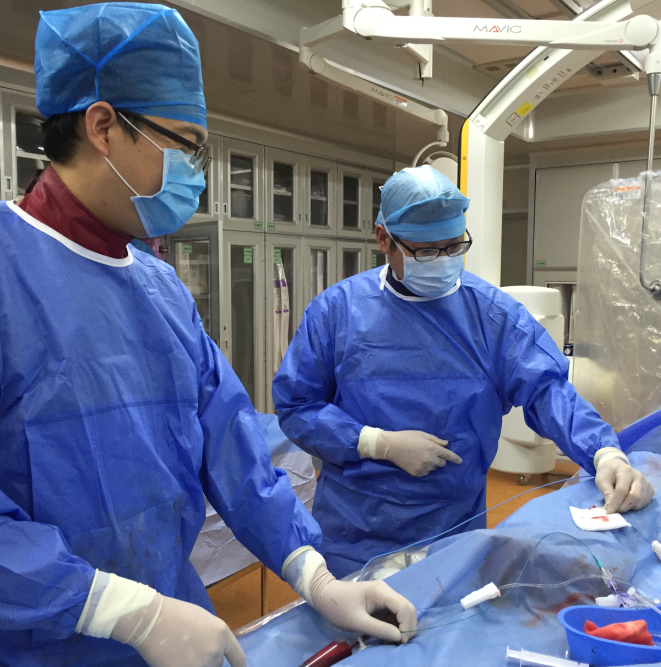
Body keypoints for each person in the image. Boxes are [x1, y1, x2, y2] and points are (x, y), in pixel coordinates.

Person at [0, 4, 416, 666]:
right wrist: (122, 612)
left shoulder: (160, 289)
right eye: (186, 143)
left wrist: (316, 576)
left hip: (175, 631)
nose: (195, 171)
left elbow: (232, 451)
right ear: (103, 126)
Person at [273, 164, 655, 579]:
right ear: (384, 239)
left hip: (453, 529)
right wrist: (375, 442)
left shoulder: (492, 317)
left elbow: (548, 391)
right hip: (355, 531)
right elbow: (297, 404)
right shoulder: (337, 312)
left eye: (454, 247)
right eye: (426, 251)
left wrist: (603, 452)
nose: (442, 262)